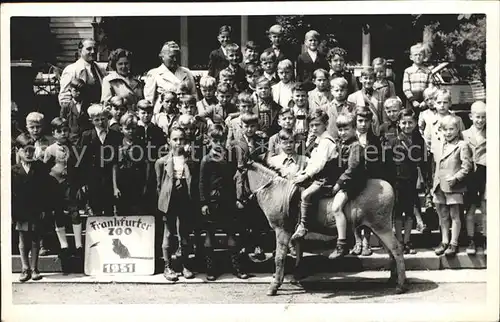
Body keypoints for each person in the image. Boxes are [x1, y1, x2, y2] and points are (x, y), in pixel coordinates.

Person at [200, 125, 249, 281]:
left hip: (227, 200)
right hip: (212, 201)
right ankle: (210, 269)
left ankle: (236, 267)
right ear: (209, 140)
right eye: (215, 140)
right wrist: (204, 203)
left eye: (221, 139)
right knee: (210, 236)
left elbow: (234, 179)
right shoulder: (206, 159)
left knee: (231, 234)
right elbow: (202, 183)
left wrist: (236, 198)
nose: (218, 143)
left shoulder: (229, 157)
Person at [156, 127, 197, 281]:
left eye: (181, 139)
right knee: (168, 233)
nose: (178, 143)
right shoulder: (162, 162)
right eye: (175, 139)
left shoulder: (191, 162)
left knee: (184, 234)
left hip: (185, 200)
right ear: (169, 141)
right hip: (169, 201)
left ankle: (185, 265)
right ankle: (168, 266)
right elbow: (159, 185)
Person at [291, 109, 338, 241]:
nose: (314, 128)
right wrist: (304, 172)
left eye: (317, 125)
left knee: (306, 195)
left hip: (326, 178)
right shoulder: (318, 139)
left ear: (326, 124)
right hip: (318, 176)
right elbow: (313, 161)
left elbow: (320, 164)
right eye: (311, 125)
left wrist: (306, 176)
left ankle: (304, 226)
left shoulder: (327, 141)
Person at [385, 109, 427, 255]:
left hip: (411, 181)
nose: (407, 125)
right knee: (397, 213)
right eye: (404, 122)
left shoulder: (419, 141)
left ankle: (407, 240)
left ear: (415, 123)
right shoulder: (393, 141)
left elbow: (422, 161)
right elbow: (388, 164)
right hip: (397, 182)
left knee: (409, 212)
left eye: (410, 122)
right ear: (398, 123)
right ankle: (399, 241)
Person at [43, 117, 82, 273]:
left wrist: (79, 185)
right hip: (55, 186)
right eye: (59, 131)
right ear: (53, 133)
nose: (63, 133)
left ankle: (78, 245)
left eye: (65, 130)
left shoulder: (74, 148)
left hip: (70, 185)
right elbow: (45, 170)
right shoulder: (50, 149)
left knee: (75, 212)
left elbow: (78, 167)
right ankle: (64, 246)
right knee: (58, 213)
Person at [12, 134, 52, 282]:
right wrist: (13, 214)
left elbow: (46, 191)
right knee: (23, 239)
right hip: (21, 211)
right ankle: (25, 268)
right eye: (25, 151)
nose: (28, 154)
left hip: (36, 209)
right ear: (18, 151)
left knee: (35, 238)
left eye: (31, 150)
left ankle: (35, 268)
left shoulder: (40, 168)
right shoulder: (13, 170)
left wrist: (44, 210)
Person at [432, 115, 472, 257]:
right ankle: (444, 241)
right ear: (441, 131)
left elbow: (466, 166)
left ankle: (453, 243)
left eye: (451, 129)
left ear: (457, 129)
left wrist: (456, 178)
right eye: (445, 130)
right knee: (442, 215)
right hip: (439, 185)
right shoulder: (438, 146)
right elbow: (435, 165)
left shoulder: (462, 145)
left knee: (455, 215)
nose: (448, 132)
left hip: (454, 185)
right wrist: (433, 184)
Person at [328, 112, 365, 259]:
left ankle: (341, 244)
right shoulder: (341, 143)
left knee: (336, 207)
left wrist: (338, 184)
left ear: (354, 128)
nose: (342, 133)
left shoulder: (356, 146)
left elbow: (352, 169)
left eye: (346, 129)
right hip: (344, 179)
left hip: (353, 182)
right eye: (340, 129)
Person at [77, 104, 122, 217]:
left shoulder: (116, 136)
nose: (100, 123)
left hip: (108, 178)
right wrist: (83, 182)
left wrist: (115, 186)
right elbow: (82, 161)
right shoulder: (86, 136)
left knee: (109, 209)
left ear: (108, 118)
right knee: (95, 209)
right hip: (93, 178)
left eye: (103, 119)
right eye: (96, 120)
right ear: (91, 120)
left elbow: (115, 162)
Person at [351, 105, 383, 256]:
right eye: (360, 121)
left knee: (367, 212)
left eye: (366, 121)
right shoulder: (350, 138)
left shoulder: (375, 140)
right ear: (355, 121)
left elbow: (378, 162)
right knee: (355, 212)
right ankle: (357, 240)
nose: (363, 124)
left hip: (370, 179)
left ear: (371, 123)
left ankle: (366, 242)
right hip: (354, 181)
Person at [145, 41, 197, 114]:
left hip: (185, 114)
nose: (175, 60)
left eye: (177, 56)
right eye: (172, 57)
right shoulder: (154, 73)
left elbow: (194, 96)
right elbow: (149, 101)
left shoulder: (186, 72)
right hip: (163, 115)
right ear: (162, 56)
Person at [462, 101, 486, 254]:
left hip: (485, 174)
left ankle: (485, 239)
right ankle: (470, 240)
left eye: (483, 117)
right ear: (471, 116)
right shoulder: (464, 134)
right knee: (470, 209)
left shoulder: (491, 132)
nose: (480, 120)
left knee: (485, 208)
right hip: (470, 176)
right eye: (477, 117)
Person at [136, 100, 167, 211]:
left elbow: (161, 150)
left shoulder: (157, 131)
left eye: (149, 113)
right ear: (137, 113)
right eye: (143, 113)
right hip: (138, 167)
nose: (146, 115)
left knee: (151, 195)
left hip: (153, 167)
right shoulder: (134, 129)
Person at [115, 113, 148, 215]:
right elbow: (114, 167)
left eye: (133, 128)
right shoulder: (118, 144)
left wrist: (146, 184)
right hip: (122, 182)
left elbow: (147, 165)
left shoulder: (142, 144)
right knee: (122, 210)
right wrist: (115, 187)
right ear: (121, 129)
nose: (130, 131)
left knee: (137, 209)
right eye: (127, 129)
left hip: (137, 182)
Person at [58, 38, 106, 106]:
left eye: (95, 49)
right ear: (80, 51)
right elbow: (64, 98)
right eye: (89, 49)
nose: (93, 52)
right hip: (80, 113)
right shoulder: (71, 70)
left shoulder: (101, 69)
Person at [347, 67, 382, 135]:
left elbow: (382, 116)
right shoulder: (352, 97)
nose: (368, 81)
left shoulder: (380, 95)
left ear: (375, 80)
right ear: (360, 79)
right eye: (365, 78)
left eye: (371, 78)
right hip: (358, 132)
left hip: (375, 132)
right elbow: (350, 118)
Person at [402, 43, 434, 114]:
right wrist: (413, 101)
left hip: (425, 102)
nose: (418, 57)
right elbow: (406, 88)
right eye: (415, 55)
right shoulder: (408, 71)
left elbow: (430, 88)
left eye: (420, 54)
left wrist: (426, 101)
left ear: (424, 57)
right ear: (411, 57)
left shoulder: (428, 71)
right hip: (411, 101)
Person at [59, 78, 92, 144]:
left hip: (86, 139)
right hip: (71, 140)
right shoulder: (66, 107)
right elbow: (62, 125)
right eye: (75, 90)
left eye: (81, 90)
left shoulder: (88, 106)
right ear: (70, 91)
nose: (79, 93)